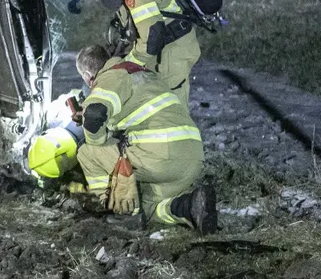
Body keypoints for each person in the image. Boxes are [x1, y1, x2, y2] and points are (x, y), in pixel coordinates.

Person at [74, 44, 217, 233]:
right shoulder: (142, 73)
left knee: (87, 151)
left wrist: (93, 135)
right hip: (191, 159)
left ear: (86, 76)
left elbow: (94, 114)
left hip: (160, 157)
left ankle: (121, 212)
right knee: (146, 206)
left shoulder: (109, 77)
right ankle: (188, 206)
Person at [73, 0, 200, 106]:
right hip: (166, 46)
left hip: (172, 51)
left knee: (169, 109)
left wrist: (123, 68)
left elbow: (152, 38)